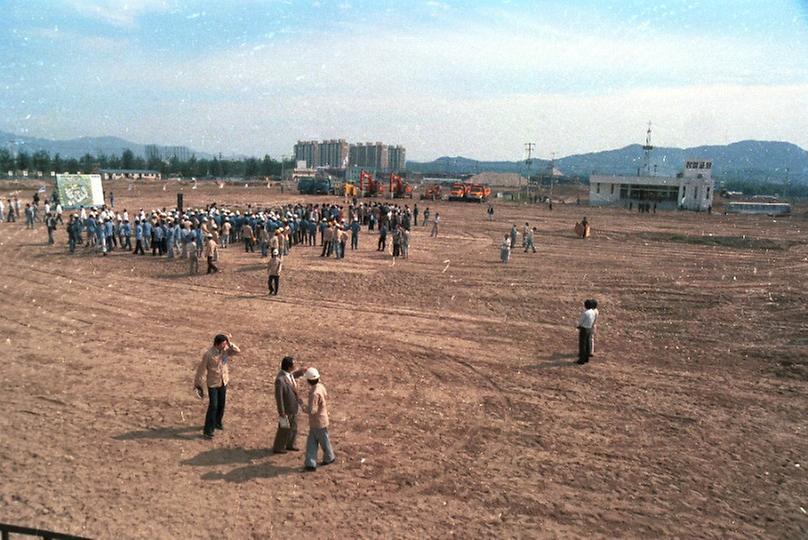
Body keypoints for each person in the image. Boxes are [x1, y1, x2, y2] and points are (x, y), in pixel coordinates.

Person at [194, 334, 241, 439]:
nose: (225, 346)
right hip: (213, 383)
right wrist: (197, 384)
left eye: (225, 344)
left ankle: (217, 422)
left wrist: (230, 343)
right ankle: (208, 429)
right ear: (217, 344)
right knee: (213, 406)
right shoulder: (208, 355)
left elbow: (237, 351)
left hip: (223, 381)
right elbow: (201, 370)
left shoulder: (225, 350)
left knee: (221, 404)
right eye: (223, 344)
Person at [298, 367, 335, 471]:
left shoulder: (314, 393)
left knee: (314, 442)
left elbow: (312, 410)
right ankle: (323, 459)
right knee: (320, 440)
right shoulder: (321, 387)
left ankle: (313, 462)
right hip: (322, 420)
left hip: (317, 422)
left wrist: (302, 405)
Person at [272, 356, 307, 454]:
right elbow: (279, 398)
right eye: (294, 365)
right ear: (289, 367)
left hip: (293, 406)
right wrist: (281, 412)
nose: (295, 366)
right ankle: (278, 447)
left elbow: (293, 375)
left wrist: (301, 372)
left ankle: (290, 444)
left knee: (293, 427)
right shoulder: (280, 380)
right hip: (286, 408)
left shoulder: (287, 374)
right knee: (284, 428)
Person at [576, 300, 596, 364]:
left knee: (582, 345)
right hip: (589, 328)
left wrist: (579, 326)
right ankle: (586, 358)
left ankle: (581, 360)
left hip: (584, 329)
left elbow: (581, 321)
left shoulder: (585, 313)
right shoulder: (593, 312)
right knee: (588, 344)